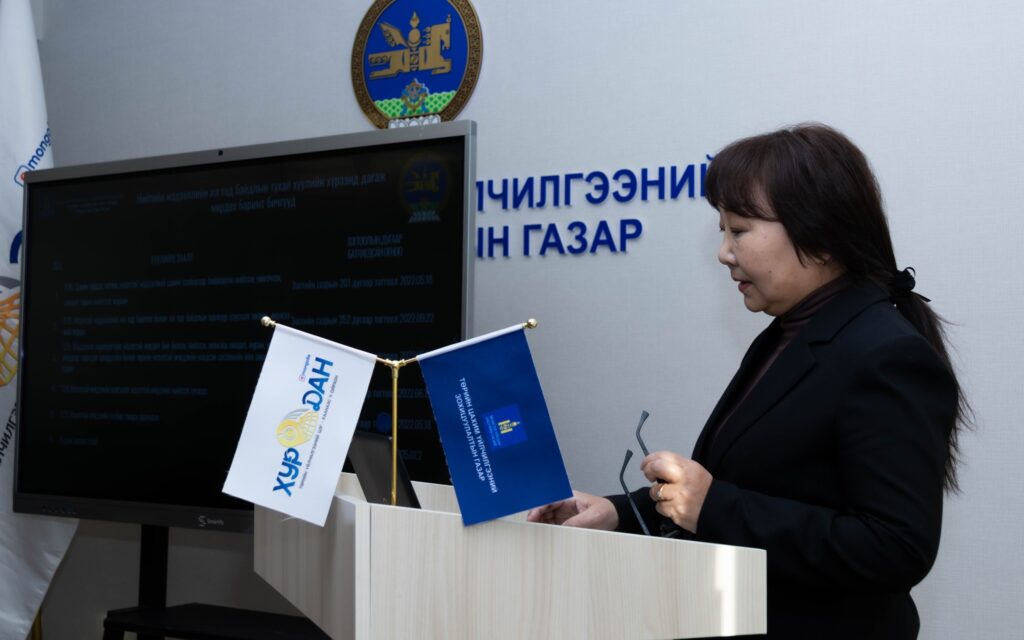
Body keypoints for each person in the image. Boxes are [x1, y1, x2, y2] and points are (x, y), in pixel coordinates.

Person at [527, 124, 966, 639]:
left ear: (819, 235)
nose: (724, 252)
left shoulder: (886, 354)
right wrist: (616, 513)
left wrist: (712, 508)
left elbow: (894, 548)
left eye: (739, 230)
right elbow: (756, 488)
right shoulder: (787, 334)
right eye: (722, 230)